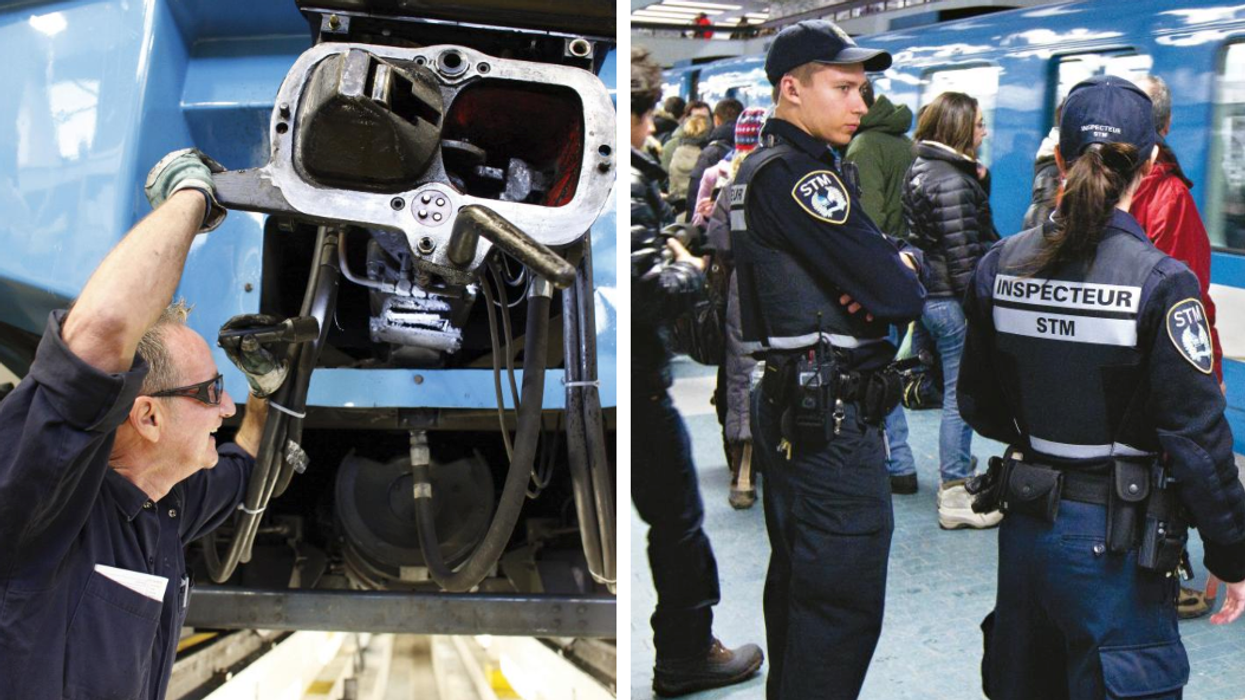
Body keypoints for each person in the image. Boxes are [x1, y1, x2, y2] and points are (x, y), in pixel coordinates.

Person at [958, 75, 1245, 700]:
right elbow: (1197, 439)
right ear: (1147, 167)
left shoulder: (998, 265)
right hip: (1115, 543)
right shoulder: (1161, 282)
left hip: (1027, 526)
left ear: (1058, 158)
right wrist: (1231, 550)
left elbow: (976, 403)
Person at [0, 151, 274, 700]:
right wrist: (192, 196)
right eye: (213, 393)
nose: (226, 408)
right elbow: (99, 333)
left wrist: (265, 393)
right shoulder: (38, 501)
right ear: (147, 415)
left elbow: (246, 464)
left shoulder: (164, 503)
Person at [731, 20, 926, 699]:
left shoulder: (766, 167)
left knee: (800, 585)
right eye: (842, 88)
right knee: (837, 602)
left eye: (864, 90)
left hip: (798, 403)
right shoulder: (800, 178)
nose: (860, 105)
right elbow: (897, 291)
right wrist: (899, 265)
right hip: (832, 420)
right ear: (790, 89)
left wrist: (885, 265)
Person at [631, 45, 764, 698]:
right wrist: (682, 267)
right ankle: (685, 652)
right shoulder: (625, 179)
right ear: (646, 111)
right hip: (639, 386)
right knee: (678, 522)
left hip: (620, 381)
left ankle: (684, 645)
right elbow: (649, 290)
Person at [1131, 74, 1227, 620]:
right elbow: (1187, 297)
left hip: (1115, 367)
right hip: (1158, 364)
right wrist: (1205, 369)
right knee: (1179, 460)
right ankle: (1174, 574)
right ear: (1165, 127)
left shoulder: (1079, 190)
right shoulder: (1172, 198)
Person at [901, 91, 1001, 529]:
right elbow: (964, 260)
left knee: (949, 393)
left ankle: (956, 477)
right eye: (979, 124)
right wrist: (982, 310)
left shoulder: (921, 169)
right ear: (961, 127)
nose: (984, 132)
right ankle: (955, 492)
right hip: (952, 303)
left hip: (928, 296)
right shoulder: (955, 182)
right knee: (959, 400)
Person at [843, 79, 921, 495]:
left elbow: (865, 220)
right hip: (906, 264)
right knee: (888, 365)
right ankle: (901, 461)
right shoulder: (904, 141)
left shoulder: (862, 148)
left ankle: (899, 463)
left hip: (880, 270)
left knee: (877, 369)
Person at [686, 98, 744, 213]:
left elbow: (694, 198)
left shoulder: (709, 153)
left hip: (714, 224)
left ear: (716, 120)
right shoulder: (755, 152)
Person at [666, 114, 711, 213]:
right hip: (700, 212)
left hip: (679, 211)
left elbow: (672, 186)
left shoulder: (677, 153)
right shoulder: (706, 157)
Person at [662, 100, 711, 174]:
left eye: (705, 118)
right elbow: (665, 177)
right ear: (686, 120)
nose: (701, 122)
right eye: (696, 118)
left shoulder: (714, 146)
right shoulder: (671, 146)